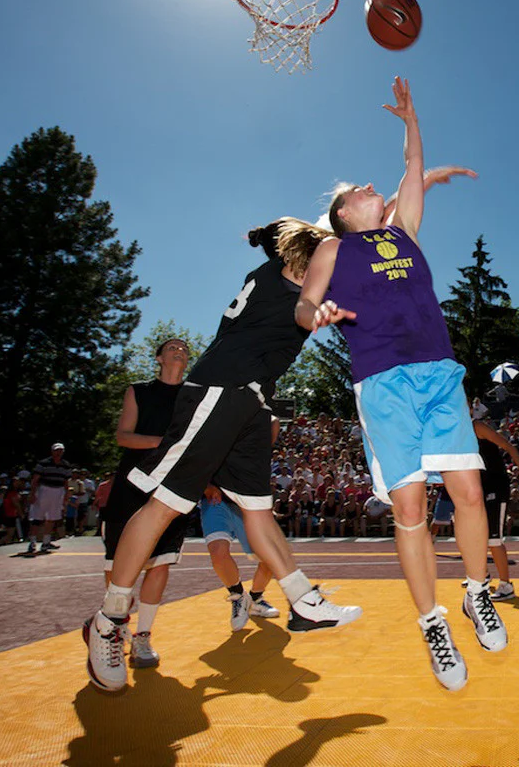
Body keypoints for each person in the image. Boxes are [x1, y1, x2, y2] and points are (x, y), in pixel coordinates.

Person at [84, 218, 361, 695]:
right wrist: (317, 311)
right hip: (221, 388)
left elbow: (358, 230)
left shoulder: (289, 271)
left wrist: (414, 185)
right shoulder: (291, 275)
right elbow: (307, 301)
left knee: (258, 510)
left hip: (252, 399)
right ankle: (109, 620)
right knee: (165, 505)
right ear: (309, 255)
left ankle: (302, 600)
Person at [296, 76, 504, 691]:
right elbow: (303, 306)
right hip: (383, 382)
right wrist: (316, 314)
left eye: (372, 187)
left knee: (468, 492)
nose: (370, 187)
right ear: (343, 214)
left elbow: (413, 167)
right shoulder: (333, 251)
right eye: (358, 190)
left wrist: (411, 120)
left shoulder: (403, 231)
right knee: (410, 508)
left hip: (437, 372)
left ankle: (475, 592)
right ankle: (432, 623)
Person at [98, 338, 196, 669]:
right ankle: (114, 629)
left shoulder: (193, 397)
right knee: (116, 564)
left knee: (161, 562)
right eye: (172, 347)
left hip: (170, 484)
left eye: (184, 349)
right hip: (132, 481)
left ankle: (143, 637)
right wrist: (164, 443)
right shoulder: (138, 391)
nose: (179, 351)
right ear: (158, 357)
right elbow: (124, 436)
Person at [199, 485, 281, 631]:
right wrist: (206, 486)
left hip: (249, 502)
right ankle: (238, 596)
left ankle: (255, 600)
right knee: (218, 553)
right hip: (215, 501)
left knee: (268, 558)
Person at [474, 419, 519, 602]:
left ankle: (506, 585)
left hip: (495, 485)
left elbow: (508, 446)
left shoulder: (477, 426)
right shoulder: (457, 431)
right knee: (476, 536)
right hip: (479, 487)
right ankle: (483, 576)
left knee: (493, 539)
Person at [26, 444, 72, 554]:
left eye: (61, 451)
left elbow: (66, 481)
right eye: (57, 450)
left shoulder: (65, 465)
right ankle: (32, 542)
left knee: (52, 517)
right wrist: (32, 493)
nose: (59, 453)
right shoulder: (44, 463)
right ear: (52, 451)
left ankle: (46, 542)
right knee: (37, 517)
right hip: (44, 490)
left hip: (58, 490)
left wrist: (66, 495)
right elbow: (35, 479)